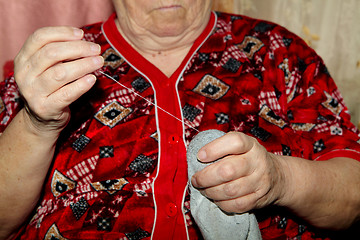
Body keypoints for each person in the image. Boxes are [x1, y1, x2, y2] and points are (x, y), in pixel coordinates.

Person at [0, 0, 360, 239]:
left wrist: (281, 179)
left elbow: (353, 196)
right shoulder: (56, 66)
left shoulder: (280, 51)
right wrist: (37, 122)